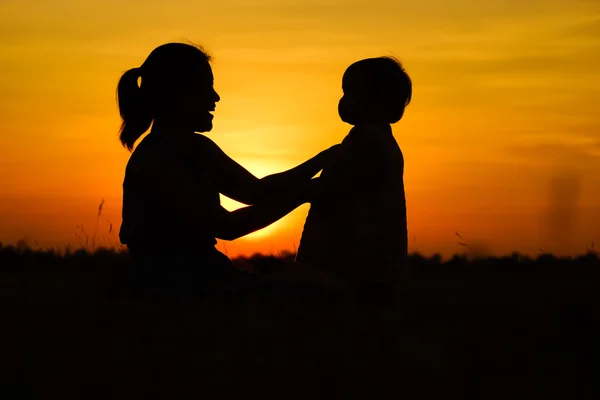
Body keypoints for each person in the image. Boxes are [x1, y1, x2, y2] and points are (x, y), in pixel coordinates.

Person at [116, 42, 336, 295]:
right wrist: (304, 193)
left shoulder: (197, 147)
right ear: (178, 94)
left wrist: (322, 160)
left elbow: (256, 191)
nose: (215, 97)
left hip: (205, 276)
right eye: (206, 87)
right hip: (174, 287)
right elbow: (226, 226)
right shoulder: (154, 163)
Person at [296, 57, 411, 287]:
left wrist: (297, 190)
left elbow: (336, 190)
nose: (342, 101)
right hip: (371, 264)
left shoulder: (366, 139)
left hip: (353, 263)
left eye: (350, 92)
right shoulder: (381, 140)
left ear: (376, 99)